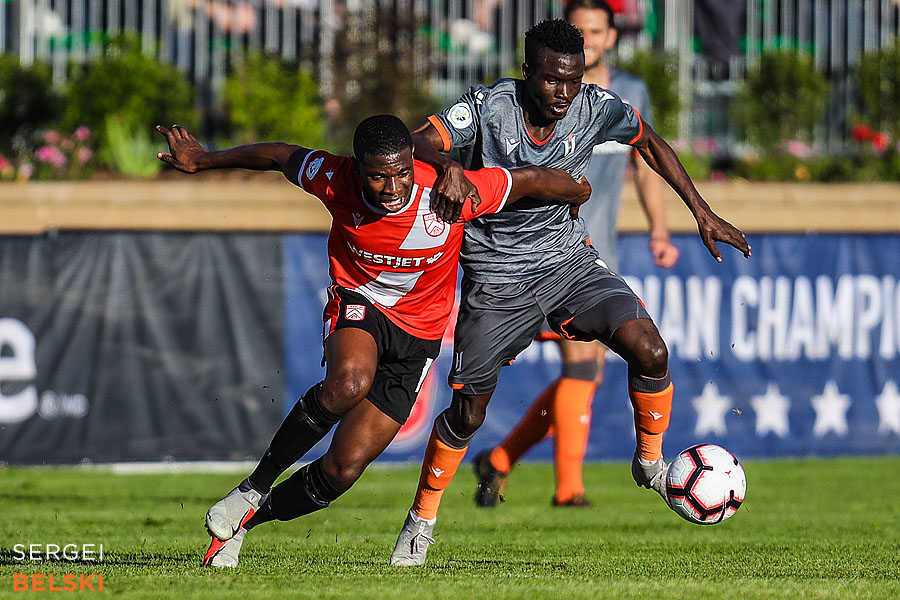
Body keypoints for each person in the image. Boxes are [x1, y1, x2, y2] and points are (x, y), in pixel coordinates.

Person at [153, 115, 592, 567]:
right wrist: (205, 159)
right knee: (348, 384)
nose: (392, 186)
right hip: (360, 303)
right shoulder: (333, 177)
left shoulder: (450, 190)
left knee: (341, 472)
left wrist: (579, 190)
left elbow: (529, 180)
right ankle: (252, 489)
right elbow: (279, 154)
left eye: (401, 172)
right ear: (357, 167)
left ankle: (242, 525)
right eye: (379, 175)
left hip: (420, 335)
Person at [389, 19, 750, 567]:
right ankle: (422, 520)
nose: (564, 93)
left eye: (574, 81)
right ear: (528, 71)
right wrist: (448, 166)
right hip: (496, 278)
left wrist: (702, 213)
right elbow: (413, 143)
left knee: (650, 350)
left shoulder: (594, 107)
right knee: (467, 412)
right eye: (553, 80)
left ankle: (649, 464)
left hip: (568, 264)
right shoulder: (488, 107)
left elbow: (649, 140)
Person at [472, 0, 680, 509]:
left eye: (595, 30)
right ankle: (568, 487)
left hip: (598, 249)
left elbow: (645, 162)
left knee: (587, 372)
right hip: (545, 253)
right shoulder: (533, 102)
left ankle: (500, 459)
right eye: (579, 28)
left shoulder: (625, 96)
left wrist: (660, 229)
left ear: (608, 38)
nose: (588, 37)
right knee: (582, 367)